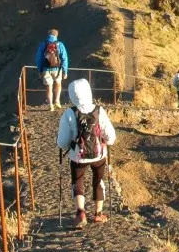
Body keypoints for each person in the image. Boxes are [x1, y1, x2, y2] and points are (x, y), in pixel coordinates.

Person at [57, 78, 117, 228]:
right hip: (99, 155)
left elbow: (62, 142)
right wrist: (106, 142)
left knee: (77, 182)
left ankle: (80, 213)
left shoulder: (69, 113)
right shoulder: (99, 111)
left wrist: (69, 146)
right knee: (98, 180)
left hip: (78, 156)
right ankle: (98, 213)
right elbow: (110, 136)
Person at [35, 29, 69, 111]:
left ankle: (50, 105)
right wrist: (65, 71)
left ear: (48, 35)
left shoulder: (43, 44)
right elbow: (64, 58)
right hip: (57, 69)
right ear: (56, 35)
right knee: (58, 84)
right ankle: (57, 101)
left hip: (46, 69)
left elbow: (39, 58)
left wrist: (40, 70)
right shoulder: (60, 44)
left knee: (49, 87)